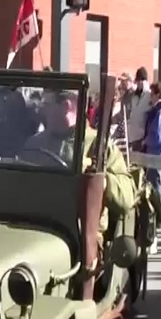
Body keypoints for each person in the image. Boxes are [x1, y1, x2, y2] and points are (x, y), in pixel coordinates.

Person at [22, 87, 136, 238]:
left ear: (66, 107)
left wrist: (100, 180)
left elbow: (127, 196)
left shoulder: (98, 145)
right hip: (36, 226)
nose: (42, 111)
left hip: (82, 236)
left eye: (47, 106)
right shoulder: (35, 143)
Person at [124, 67, 151, 152]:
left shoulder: (149, 95)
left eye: (140, 81)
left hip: (142, 136)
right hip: (131, 135)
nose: (138, 84)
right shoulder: (134, 96)